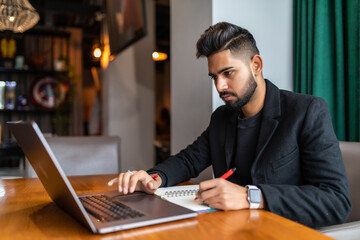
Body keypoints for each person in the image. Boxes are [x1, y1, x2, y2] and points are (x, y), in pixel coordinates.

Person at [108, 22, 351, 228]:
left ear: (256, 65)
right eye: (214, 77)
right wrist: (154, 178)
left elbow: (337, 201)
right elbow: (189, 160)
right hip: (232, 231)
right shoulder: (222, 118)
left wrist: (251, 196)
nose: (220, 86)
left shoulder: (307, 111)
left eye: (228, 73)